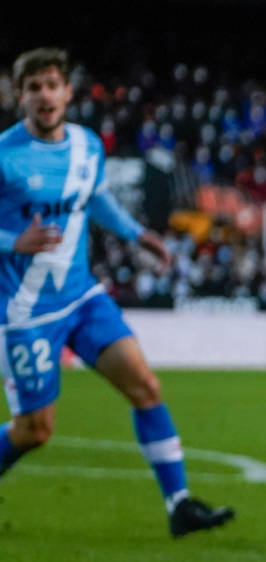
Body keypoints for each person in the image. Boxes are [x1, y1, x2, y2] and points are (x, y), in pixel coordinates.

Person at [0, 48, 234, 537]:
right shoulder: (6, 154)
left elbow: (95, 196)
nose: (45, 95)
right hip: (25, 313)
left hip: (83, 297)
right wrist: (12, 242)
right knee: (34, 431)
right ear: (20, 96)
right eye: (34, 87)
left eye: (51, 84)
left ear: (67, 91)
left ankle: (180, 505)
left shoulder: (87, 144)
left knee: (145, 387)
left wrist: (135, 233)